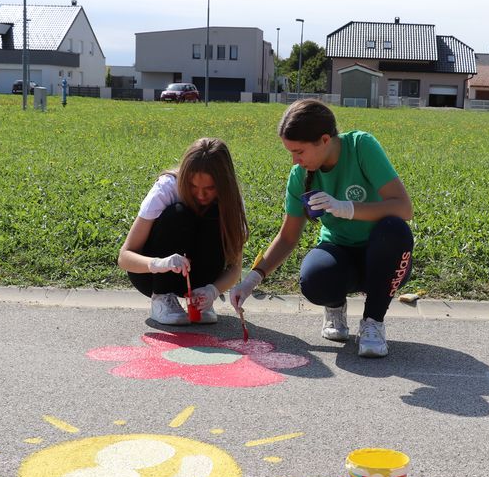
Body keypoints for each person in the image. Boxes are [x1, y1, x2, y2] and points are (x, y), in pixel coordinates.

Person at [230, 99, 414, 358]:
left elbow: (404, 208)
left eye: (299, 152)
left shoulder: (361, 146)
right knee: (315, 279)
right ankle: (335, 308)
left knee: (395, 231)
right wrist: (252, 279)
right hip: (340, 253)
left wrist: (347, 208)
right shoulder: (299, 176)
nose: (295, 161)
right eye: (290, 153)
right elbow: (287, 237)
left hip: (383, 257)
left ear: (325, 140)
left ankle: (373, 322)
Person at [118, 137, 248, 325]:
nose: (201, 195)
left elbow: (235, 267)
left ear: (224, 184)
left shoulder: (231, 201)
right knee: (179, 213)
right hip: (153, 276)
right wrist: (160, 264)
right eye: (193, 186)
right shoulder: (167, 188)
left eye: (210, 188)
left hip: (200, 278)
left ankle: (200, 299)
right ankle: (162, 298)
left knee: (215, 215)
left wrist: (213, 290)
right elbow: (125, 257)